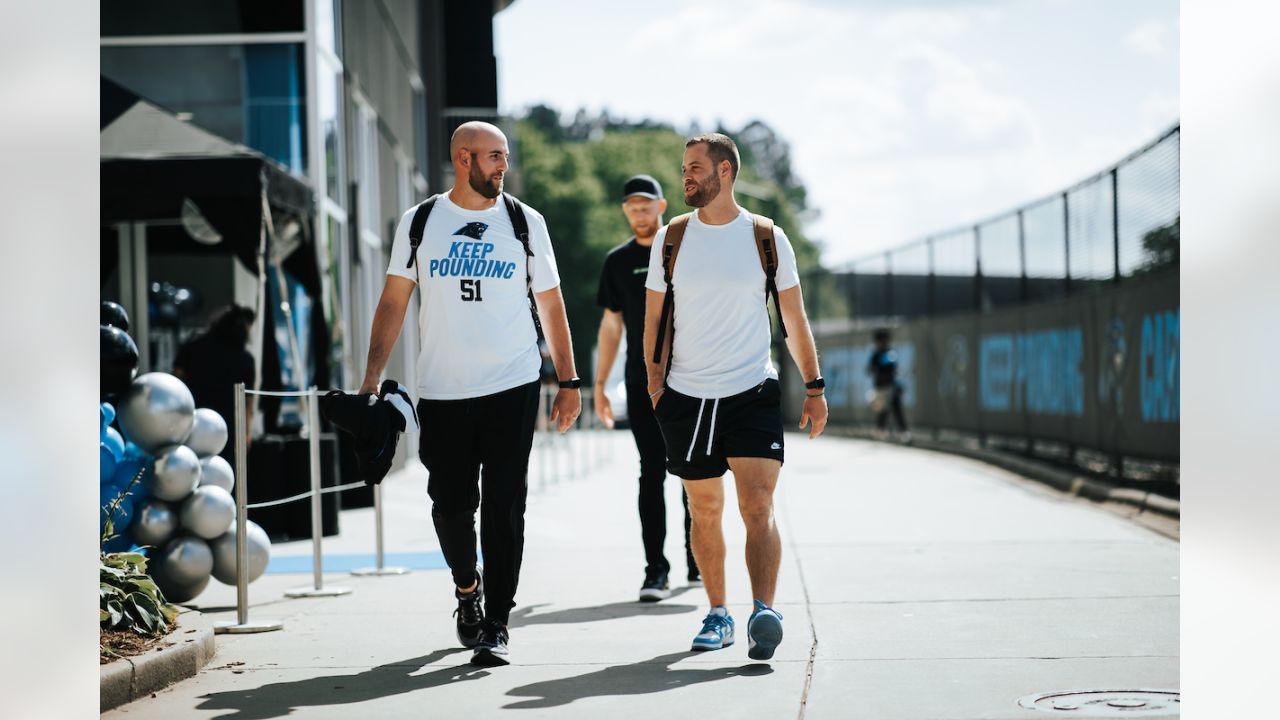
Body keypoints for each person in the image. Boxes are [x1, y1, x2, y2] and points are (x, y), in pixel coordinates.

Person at [360, 121, 581, 667]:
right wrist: (370, 379)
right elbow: (393, 303)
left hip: (513, 383)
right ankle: (467, 590)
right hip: (443, 390)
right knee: (451, 505)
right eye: (493, 157)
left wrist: (569, 381)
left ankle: (498, 623)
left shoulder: (525, 223)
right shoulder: (422, 222)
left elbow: (551, 305)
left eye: (505, 156)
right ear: (463, 159)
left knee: (506, 504)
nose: (502, 166)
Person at [643, 133, 828, 661]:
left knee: (757, 506)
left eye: (695, 167)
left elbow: (793, 320)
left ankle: (763, 611)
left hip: (751, 390)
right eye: (684, 167)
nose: (686, 176)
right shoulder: (671, 239)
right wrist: (656, 388)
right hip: (686, 395)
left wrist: (814, 387)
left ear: (725, 172)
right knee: (703, 509)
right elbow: (653, 321)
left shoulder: (766, 238)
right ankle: (718, 613)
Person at [595, 174, 699, 602]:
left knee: (695, 471)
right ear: (625, 211)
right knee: (651, 471)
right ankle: (655, 570)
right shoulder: (617, 262)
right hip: (642, 382)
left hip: (693, 377)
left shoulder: (684, 248)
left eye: (646, 204)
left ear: (661, 206)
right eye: (631, 205)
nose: (639, 211)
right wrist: (601, 384)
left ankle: (699, 561)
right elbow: (610, 327)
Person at [172, 304, 256, 458]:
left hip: (195, 419)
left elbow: (176, 382)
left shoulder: (192, 346)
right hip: (229, 426)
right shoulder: (245, 359)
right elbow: (248, 401)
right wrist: (246, 433)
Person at [867, 328, 909, 441]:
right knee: (882, 410)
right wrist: (878, 368)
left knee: (896, 407)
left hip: (891, 385)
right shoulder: (876, 355)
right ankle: (879, 431)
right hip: (881, 387)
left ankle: (903, 432)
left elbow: (896, 369)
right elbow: (869, 370)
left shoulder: (891, 353)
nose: (884, 342)